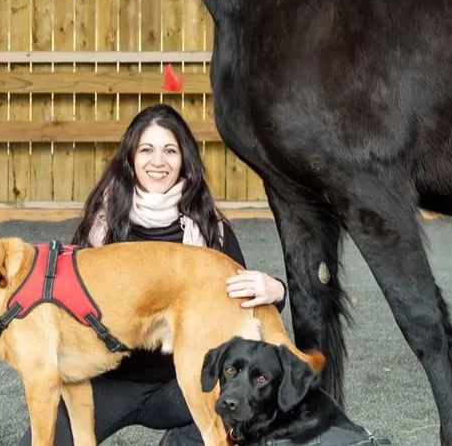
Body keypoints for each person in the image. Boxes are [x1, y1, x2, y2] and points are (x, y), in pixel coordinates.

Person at [16, 103, 288, 446]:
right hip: (109, 381)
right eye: (146, 150)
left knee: (245, 416)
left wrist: (277, 290)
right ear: (130, 158)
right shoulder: (101, 225)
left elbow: (242, 310)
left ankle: (187, 436)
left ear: (184, 159)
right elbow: (66, 303)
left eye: (169, 151)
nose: (158, 161)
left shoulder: (209, 227)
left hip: (180, 385)